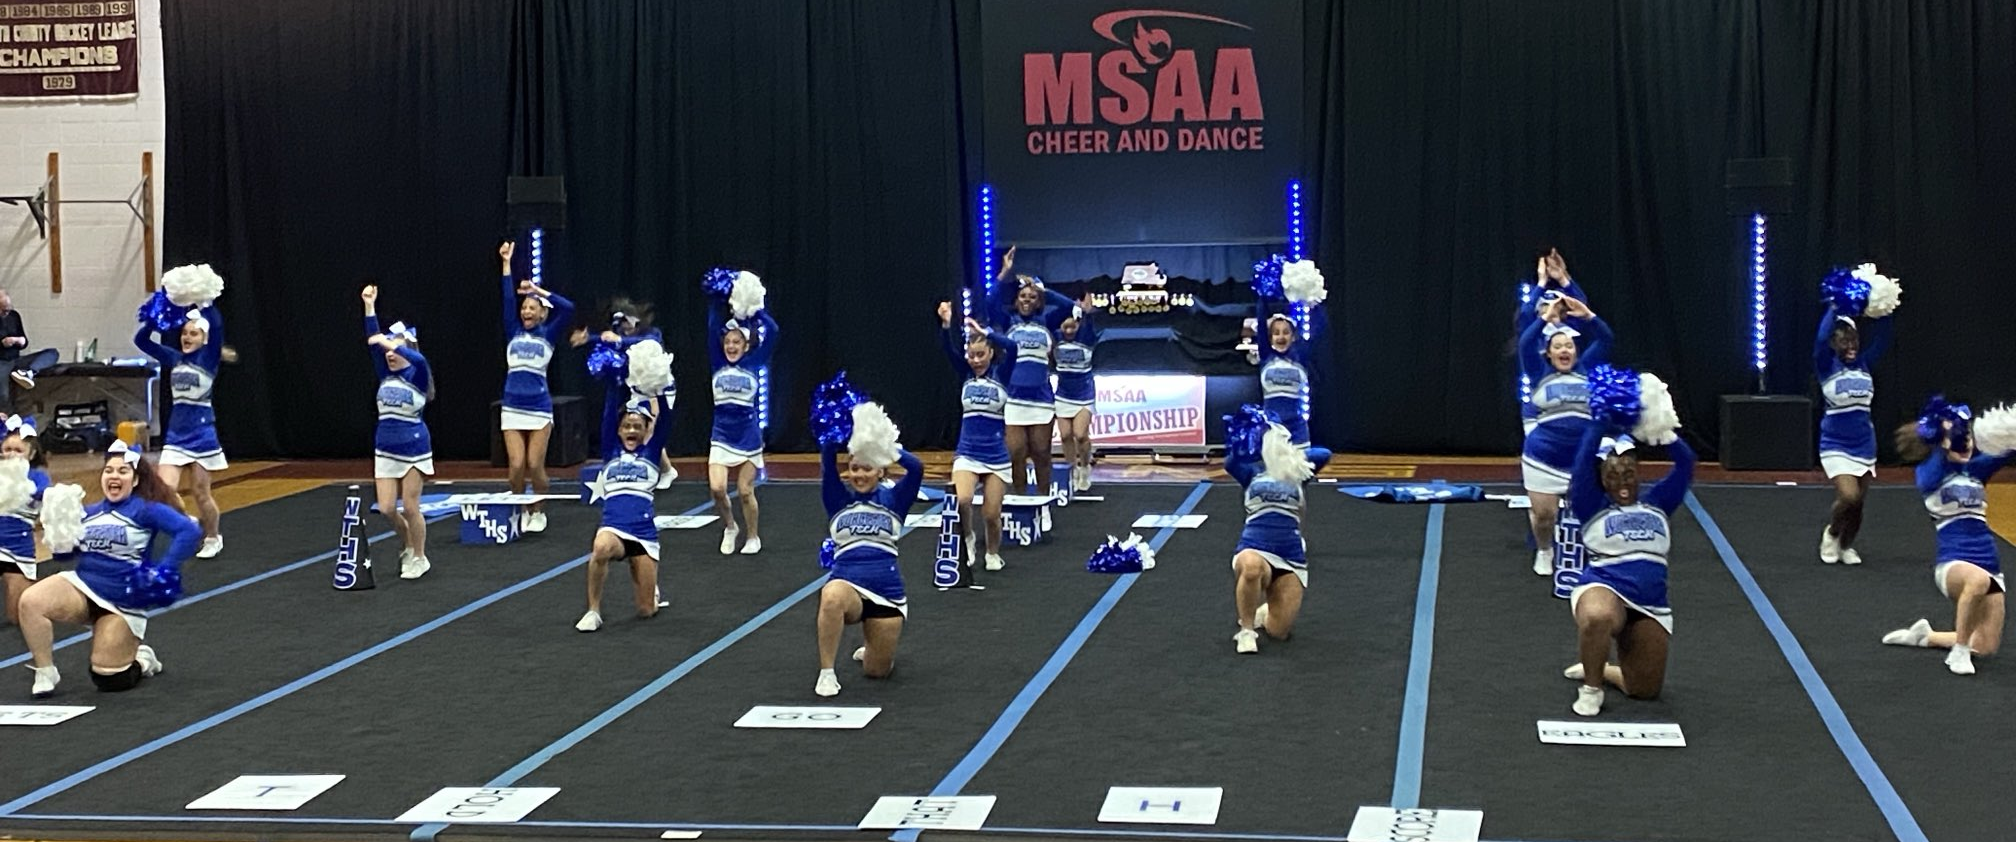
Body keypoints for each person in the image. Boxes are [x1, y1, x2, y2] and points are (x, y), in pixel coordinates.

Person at [18, 441, 198, 697]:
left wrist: (164, 568)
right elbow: (67, 556)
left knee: (109, 678)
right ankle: (45, 670)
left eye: (123, 471)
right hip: (84, 586)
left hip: (122, 601)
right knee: (30, 602)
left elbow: (188, 530)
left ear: (135, 480)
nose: (114, 476)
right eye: (109, 471)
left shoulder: (146, 509)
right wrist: (59, 534)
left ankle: (143, 658)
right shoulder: (88, 512)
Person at [1560, 424, 1695, 716]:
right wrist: (1599, 423)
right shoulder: (1591, 505)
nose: (1622, 482)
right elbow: (1582, 461)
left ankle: (1601, 670)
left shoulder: (1658, 502)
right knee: (1598, 616)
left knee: (1644, 691)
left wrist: (1662, 430)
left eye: (1629, 474)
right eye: (1612, 476)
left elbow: (1686, 463)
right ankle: (1591, 689)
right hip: (1604, 587)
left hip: (1650, 603)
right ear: (1601, 479)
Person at [1880, 411, 2007, 675]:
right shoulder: (1929, 473)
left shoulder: (1976, 470)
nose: (1966, 445)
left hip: (1990, 564)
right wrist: (1945, 434)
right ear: (1940, 443)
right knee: (1978, 581)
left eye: (1968, 440)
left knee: (1985, 645)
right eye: (1959, 441)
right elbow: (1938, 460)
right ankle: (1958, 653)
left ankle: (1925, 636)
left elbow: (2005, 450)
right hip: (1953, 563)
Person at [813, 416, 924, 697]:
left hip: (886, 593)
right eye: (854, 468)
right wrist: (847, 430)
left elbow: (916, 468)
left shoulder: (896, 500)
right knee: (831, 595)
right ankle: (827, 673)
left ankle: (873, 647)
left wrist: (883, 442)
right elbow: (828, 455)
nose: (859, 475)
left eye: (867, 468)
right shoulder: (837, 499)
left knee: (877, 672)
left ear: (880, 471)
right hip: (847, 584)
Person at [1518, 293, 1613, 576]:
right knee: (1545, 516)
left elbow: (1606, 338)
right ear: (1548, 353)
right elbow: (1525, 343)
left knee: (1591, 511)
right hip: (1543, 458)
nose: (1564, 350)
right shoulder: (1539, 373)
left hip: (1582, 458)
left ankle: (1591, 550)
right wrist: (1546, 317)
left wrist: (1587, 314)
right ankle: (1545, 549)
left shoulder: (1587, 368)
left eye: (1569, 345)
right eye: (1558, 346)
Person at [985, 246, 1073, 525]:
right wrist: (1003, 274)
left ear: (1037, 302)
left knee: (1042, 453)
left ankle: (1043, 506)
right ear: (1017, 299)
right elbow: (988, 304)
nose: (1026, 300)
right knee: (1016, 454)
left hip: (1041, 400)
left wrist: (1043, 290)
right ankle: (1023, 504)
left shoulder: (1046, 320)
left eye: (1032, 297)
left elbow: (1071, 307)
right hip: (1013, 399)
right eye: (1023, 295)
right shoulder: (1007, 321)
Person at [133, 303, 228, 559]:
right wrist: (155, 320)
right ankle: (188, 522)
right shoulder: (173, 358)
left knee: (200, 492)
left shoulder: (208, 359)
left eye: (193, 333)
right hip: (176, 436)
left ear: (204, 339)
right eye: (184, 333)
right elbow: (141, 340)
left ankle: (212, 537)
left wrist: (205, 302)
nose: (187, 337)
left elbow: (217, 325)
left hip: (202, 435)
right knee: (163, 489)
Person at [496, 241, 576, 534]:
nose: (527, 311)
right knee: (516, 465)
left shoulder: (550, 333)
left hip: (539, 407)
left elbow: (568, 308)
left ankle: (538, 508)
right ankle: (518, 509)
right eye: (525, 307)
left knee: (535, 463)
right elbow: (506, 299)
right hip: (512, 406)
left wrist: (541, 292)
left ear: (542, 313)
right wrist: (506, 264)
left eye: (533, 308)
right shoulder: (512, 330)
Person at [576, 396, 672, 632]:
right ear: (618, 430)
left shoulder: (651, 452)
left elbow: (666, 420)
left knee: (646, 611)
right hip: (614, 529)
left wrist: (658, 389)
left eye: (637, 426)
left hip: (643, 535)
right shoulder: (610, 450)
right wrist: (614, 380)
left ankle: (649, 587)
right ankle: (593, 611)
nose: (631, 430)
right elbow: (609, 410)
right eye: (627, 426)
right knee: (600, 547)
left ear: (646, 430)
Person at [362, 285, 434, 580]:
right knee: (389, 508)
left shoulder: (416, 374)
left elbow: (419, 360)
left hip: (414, 447)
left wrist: (391, 343)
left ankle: (420, 556)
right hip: (385, 447)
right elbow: (371, 341)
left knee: (412, 506)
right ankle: (407, 544)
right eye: (388, 349)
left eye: (395, 348)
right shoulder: (384, 373)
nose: (389, 353)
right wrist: (369, 306)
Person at [1228, 412, 1314, 654]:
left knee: (1279, 632)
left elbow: (1324, 455)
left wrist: (1293, 455)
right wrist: (1244, 440)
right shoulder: (1250, 473)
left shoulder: (1297, 474)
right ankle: (1246, 630)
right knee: (1252, 567)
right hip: (1254, 547)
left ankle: (1263, 610)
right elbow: (1229, 462)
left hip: (1290, 557)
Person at [937, 303, 1013, 571]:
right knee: (962, 500)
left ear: (991, 353)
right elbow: (947, 350)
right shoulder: (965, 374)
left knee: (992, 515)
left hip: (996, 455)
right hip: (968, 451)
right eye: (972, 355)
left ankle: (992, 553)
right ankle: (967, 538)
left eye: (981, 354)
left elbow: (1013, 347)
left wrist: (986, 331)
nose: (976, 360)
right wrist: (947, 325)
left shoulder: (1002, 375)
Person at [1813, 304, 1891, 565]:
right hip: (1835, 443)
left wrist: (1881, 308)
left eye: (1853, 339)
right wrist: (1836, 306)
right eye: (1842, 340)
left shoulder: (1865, 363)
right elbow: (1821, 337)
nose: (1849, 345)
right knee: (1849, 496)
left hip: (1865, 444)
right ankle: (1832, 533)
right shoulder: (1826, 366)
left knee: (1858, 505)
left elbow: (1884, 336)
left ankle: (1846, 545)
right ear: (1834, 343)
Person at [573, 300, 676, 488]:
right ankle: (659, 468)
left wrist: (619, 340)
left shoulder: (652, 333)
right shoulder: (620, 335)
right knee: (644, 428)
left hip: (659, 388)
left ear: (636, 321)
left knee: (653, 426)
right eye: (620, 325)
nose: (624, 329)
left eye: (627, 323)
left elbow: (648, 343)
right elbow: (609, 341)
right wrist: (590, 338)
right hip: (637, 390)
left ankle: (665, 470)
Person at [706, 304, 778, 555]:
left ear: (746, 345)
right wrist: (717, 296)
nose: (732, 346)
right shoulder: (717, 362)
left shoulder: (755, 361)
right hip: (721, 434)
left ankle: (753, 536)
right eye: (728, 342)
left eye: (737, 342)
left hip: (748, 436)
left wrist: (756, 311)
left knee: (746, 491)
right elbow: (712, 323)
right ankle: (730, 526)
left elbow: (773, 330)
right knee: (717, 488)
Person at [1513, 249, 1590, 436]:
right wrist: (1541, 283)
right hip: (1539, 400)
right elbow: (1525, 314)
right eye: (1546, 309)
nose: (1552, 312)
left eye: (1556, 308)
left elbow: (1581, 305)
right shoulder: (1534, 335)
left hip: (1570, 395)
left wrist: (1563, 278)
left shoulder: (1570, 332)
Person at [1254, 293, 1334, 474]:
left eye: (1285, 332)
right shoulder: (1267, 357)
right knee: (1273, 473)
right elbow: (1260, 322)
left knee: (1300, 473)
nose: (1281, 337)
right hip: (1273, 428)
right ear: (1270, 338)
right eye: (1276, 333)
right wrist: (1263, 297)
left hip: (1297, 428)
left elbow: (1320, 326)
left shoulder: (1301, 356)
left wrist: (1313, 299)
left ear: (1293, 336)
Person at [1, 414, 51, 626]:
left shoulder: (38, 477)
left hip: (17, 548)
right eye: (7, 450)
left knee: (18, 616)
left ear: (31, 454)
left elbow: (44, 494)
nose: (11, 455)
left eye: (18, 451)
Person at [1054, 299, 1102, 493]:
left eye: (1072, 327)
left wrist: (1086, 312)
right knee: (1065, 435)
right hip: (1063, 394)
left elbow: (1090, 322)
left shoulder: (1086, 338)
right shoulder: (1055, 338)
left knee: (1080, 435)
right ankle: (1071, 470)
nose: (1069, 330)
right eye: (1065, 327)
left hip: (1084, 394)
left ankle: (1084, 466)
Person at [0, 288, 63, 414]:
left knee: (52, 353)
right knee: (4, 396)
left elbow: (24, 341)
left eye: (8, 309)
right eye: (3, 310)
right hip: (2, 361)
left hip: (16, 360)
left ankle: (29, 372)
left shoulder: (14, 316)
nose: (6, 313)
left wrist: (20, 341)